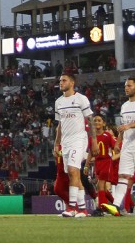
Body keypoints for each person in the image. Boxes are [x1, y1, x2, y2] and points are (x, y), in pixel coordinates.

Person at [101, 78, 135, 216]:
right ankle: (116, 206)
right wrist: (118, 143)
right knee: (123, 176)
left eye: (129, 86)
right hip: (127, 147)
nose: (126, 88)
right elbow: (122, 128)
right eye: (125, 86)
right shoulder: (124, 106)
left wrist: (129, 126)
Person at [53, 72, 94, 217]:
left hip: (79, 139)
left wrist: (93, 141)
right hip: (66, 142)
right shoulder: (58, 102)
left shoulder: (81, 99)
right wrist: (56, 143)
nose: (61, 82)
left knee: (72, 171)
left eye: (64, 80)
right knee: (74, 175)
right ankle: (82, 209)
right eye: (60, 80)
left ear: (72, 83)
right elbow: (60, 125)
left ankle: (71, 207)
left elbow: (90, 120)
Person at [91, 115, 118, 212]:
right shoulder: (92, 137)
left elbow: (116, 147)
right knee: (102, 187)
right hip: (97, 164)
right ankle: (115, 206)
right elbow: (91, 152)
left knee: (101, 184)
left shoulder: (107, 135)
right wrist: (86, 165)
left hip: (106, 162)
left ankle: (101, 208)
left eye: (99, 120)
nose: (97, 122)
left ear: (103, 123)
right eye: (95, 121)